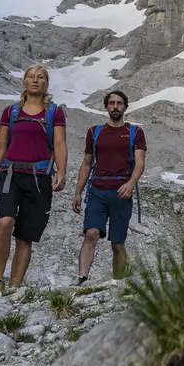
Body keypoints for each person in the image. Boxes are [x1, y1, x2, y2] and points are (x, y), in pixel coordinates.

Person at [0, 65, 66, 291]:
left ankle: (15, 289)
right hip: (10, 175)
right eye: (31, 77)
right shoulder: (11, 112)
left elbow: (59, 144)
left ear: (46, 84)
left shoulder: (54, 112)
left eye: (40, 78)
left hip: (39, 178)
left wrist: (61, 171)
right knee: (4, 222)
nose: (35, 81)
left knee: (25, 236)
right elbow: (0, 146)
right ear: (24, 82)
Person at [72, 88, 145, 282]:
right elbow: (87, 163)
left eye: (119, 103)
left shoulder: (135, 132)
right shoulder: (94, 132)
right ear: (106, 107)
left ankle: (118, 282)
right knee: (91, 233)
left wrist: (131, 183)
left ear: (125, 107)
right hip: (97, 190)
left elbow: (140, 162)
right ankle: (82, 279)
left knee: (117, 242)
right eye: (112, 103)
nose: (115, 106)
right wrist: (78, 192)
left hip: (122, 191)